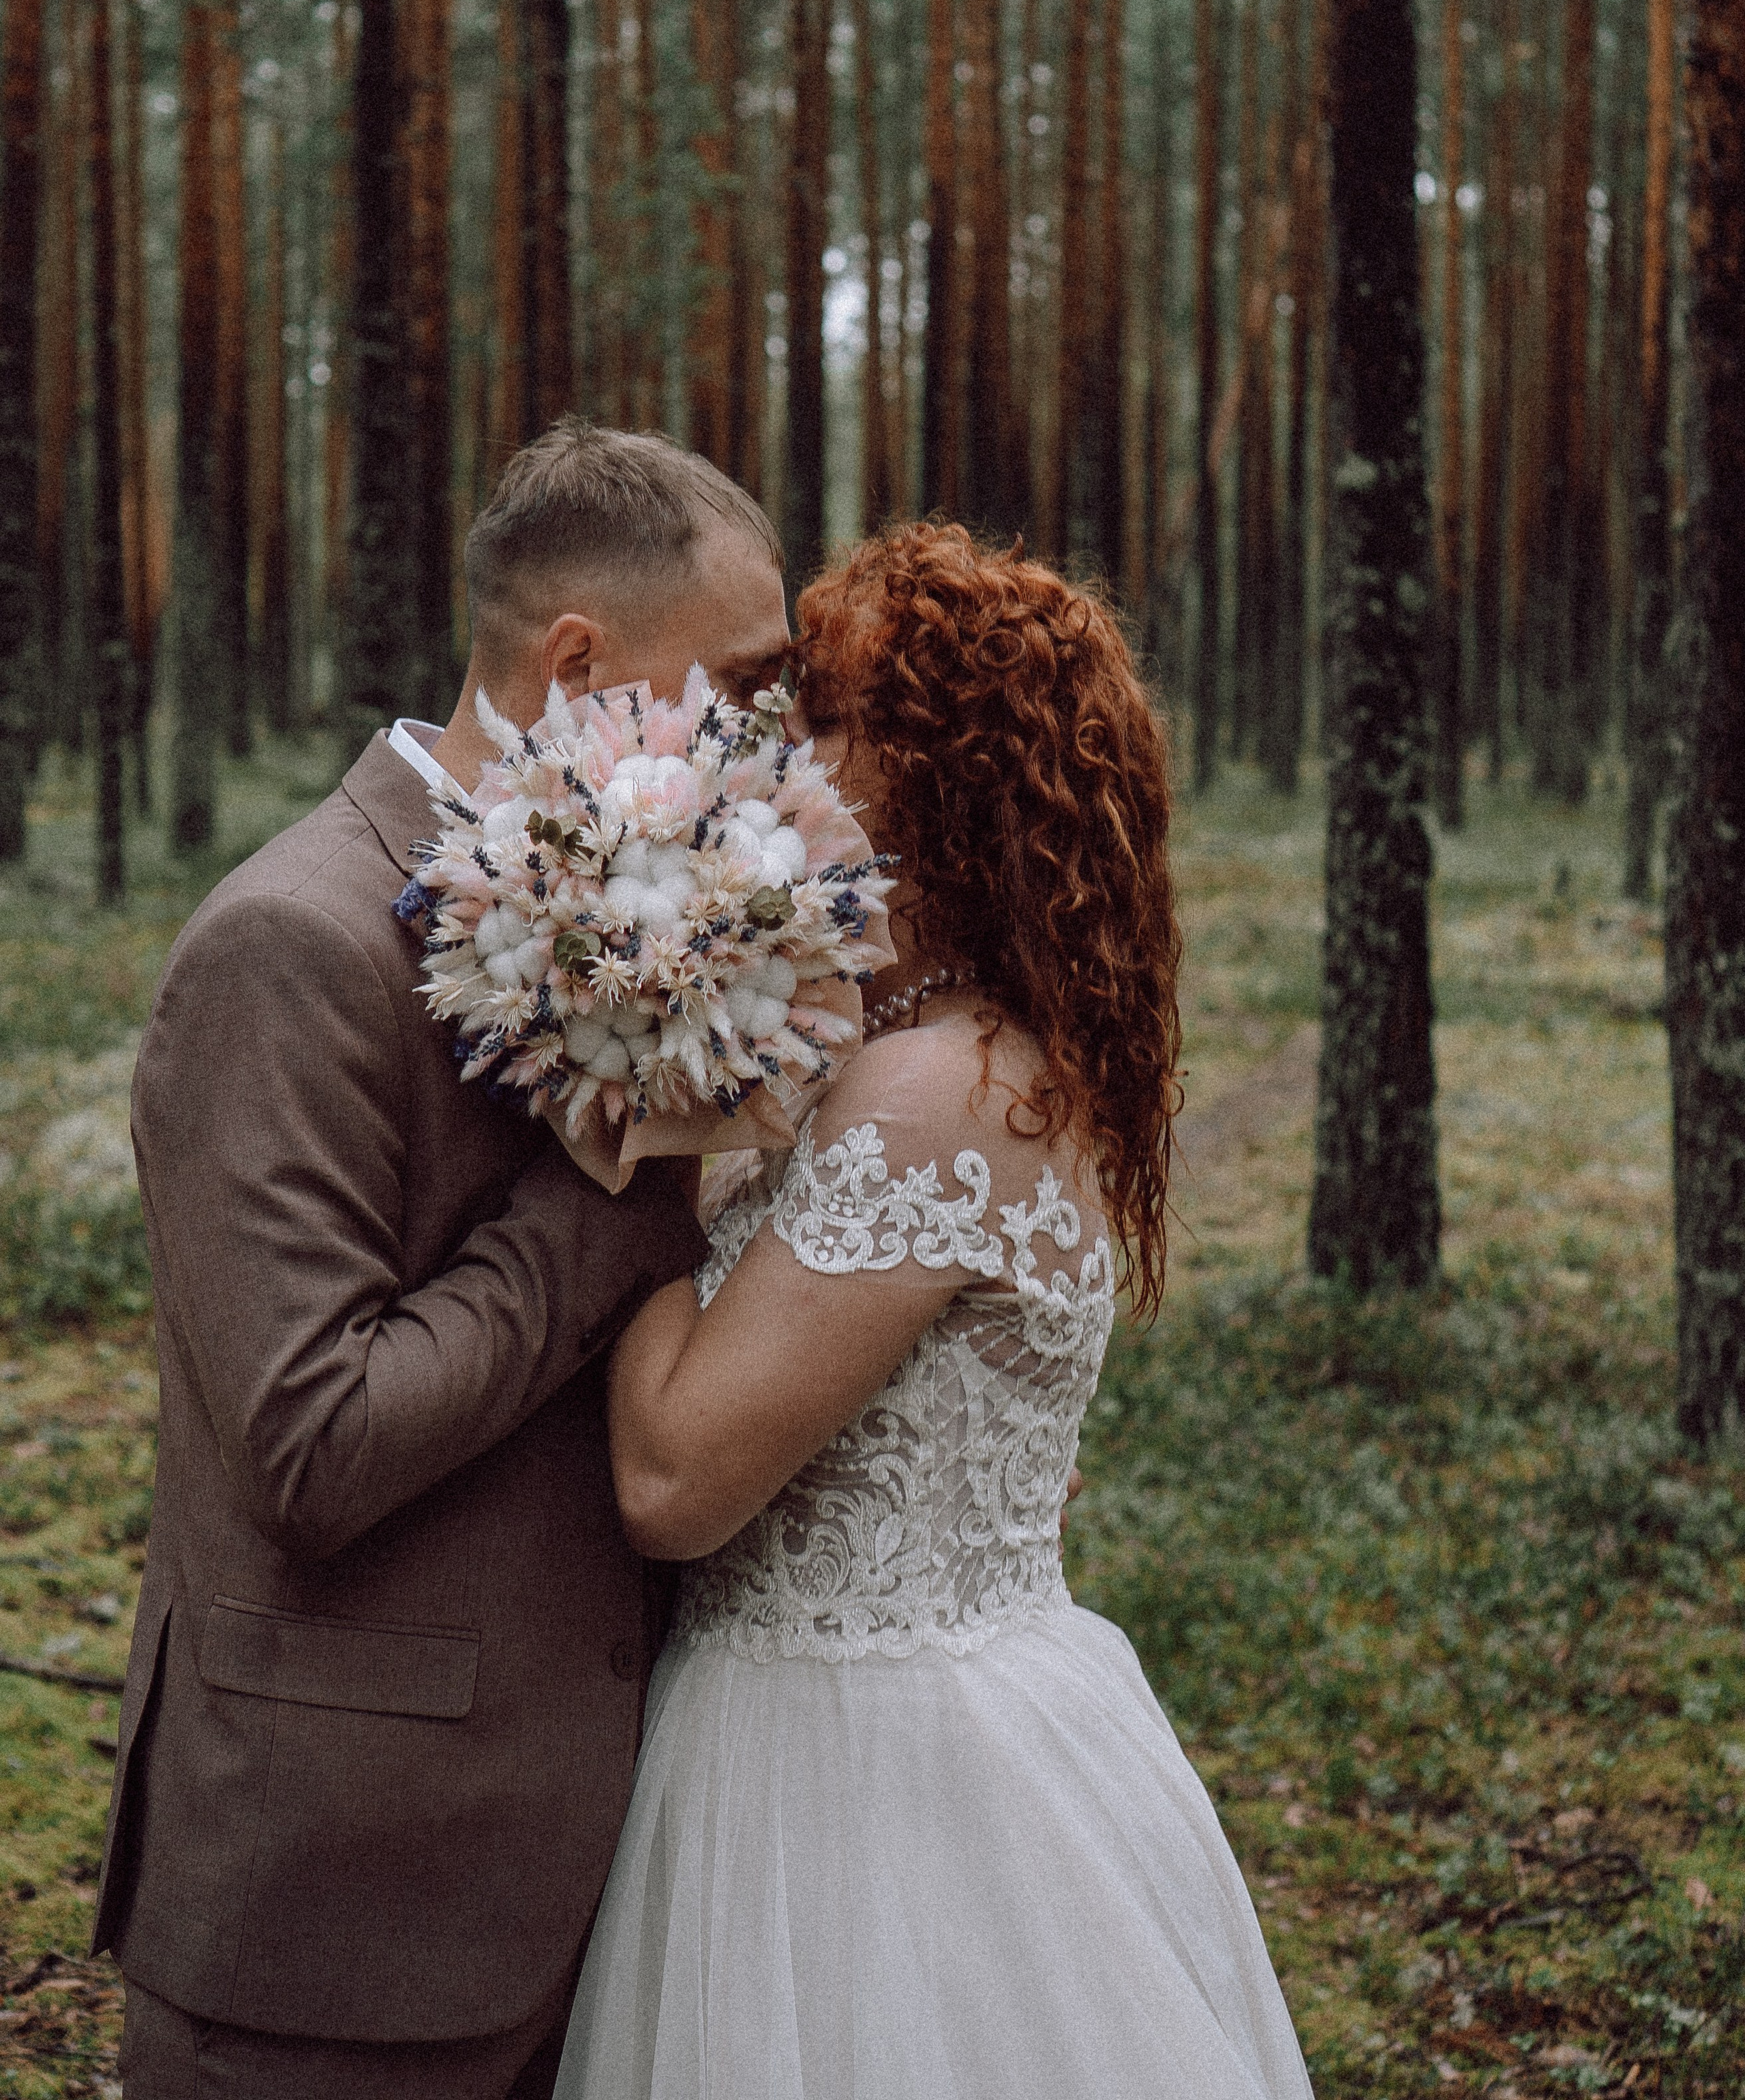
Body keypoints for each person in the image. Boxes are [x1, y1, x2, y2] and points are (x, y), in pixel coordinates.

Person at [555, 522, 1315, 2100]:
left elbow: (671, 1483)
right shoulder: (945, 1052)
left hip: (865, 1775)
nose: (780, 756)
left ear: (942, 775)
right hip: (886, 1710)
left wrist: (621, 1159)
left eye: (825, 718)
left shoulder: (933, 1092)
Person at [98, 423, 790, 2100]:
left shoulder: (653, 908)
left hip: (595, 1891)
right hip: (339, 1925)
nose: (767, 732)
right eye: (743, 681)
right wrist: (627, 1204)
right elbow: (309, 1443)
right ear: (578, 665)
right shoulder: (294, 945)